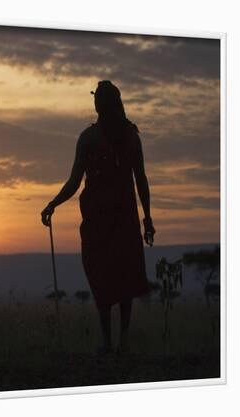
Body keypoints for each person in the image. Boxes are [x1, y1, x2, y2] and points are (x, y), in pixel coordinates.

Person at [41, 80, 155, 355]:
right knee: (121, 276)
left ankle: (109, 343)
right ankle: (121, 341)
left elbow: (74, 181)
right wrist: (147, 219)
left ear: (100, 104)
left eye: (97, 99)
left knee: (104, 276)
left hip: (100, 219)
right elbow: (141, 180)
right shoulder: (131, 136)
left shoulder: (91, 138)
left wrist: (53, 203)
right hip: (121, 217)